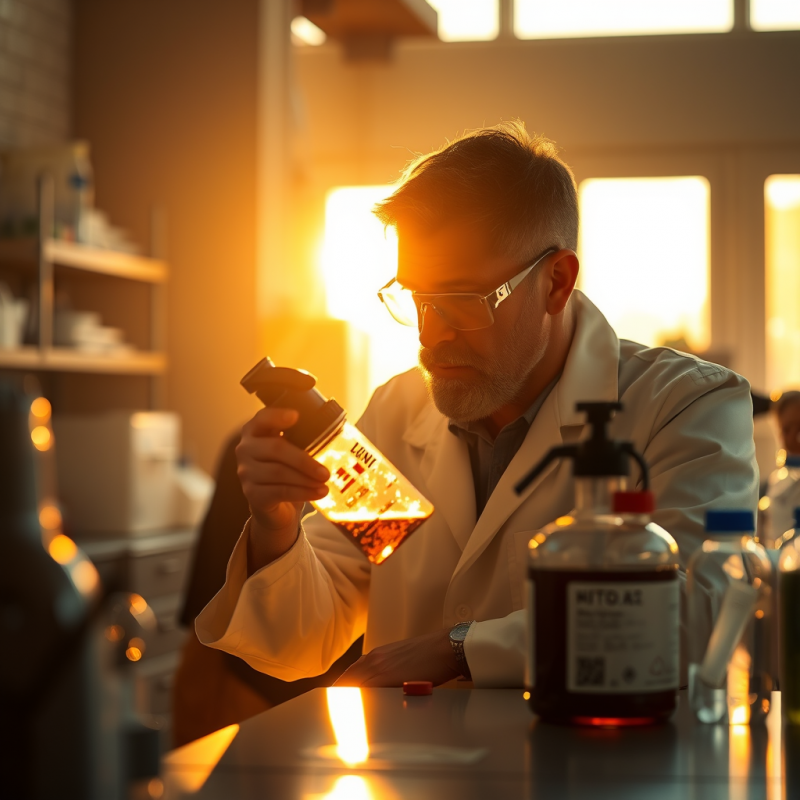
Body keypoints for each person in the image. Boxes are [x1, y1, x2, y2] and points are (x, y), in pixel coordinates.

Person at [196, 122, 758, 688]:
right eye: (416, 298)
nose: (429, 334)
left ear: (556, 283)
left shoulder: (684, 407)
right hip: (409, 769)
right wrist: (277, 528)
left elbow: (700, 615)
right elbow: (306, 636)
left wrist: (463, 650)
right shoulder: (397, 414)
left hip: (599, 767)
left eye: (462, 301)